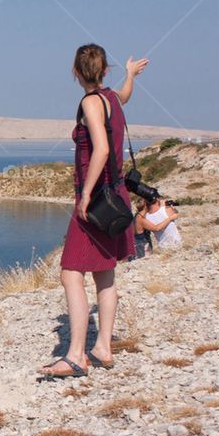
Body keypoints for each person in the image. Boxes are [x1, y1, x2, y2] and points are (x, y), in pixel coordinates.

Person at [40, 45, 149, 378]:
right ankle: (103, 346)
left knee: (71, 272)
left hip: (96, 198)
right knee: (104, 273)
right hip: (116, 195)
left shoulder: (90, 103)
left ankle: (75, 356)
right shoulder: (112, 99)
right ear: (105, 71)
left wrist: (85, 194)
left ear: (75, 72)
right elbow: (126, 96)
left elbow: (100, 148)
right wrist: (130, 75)